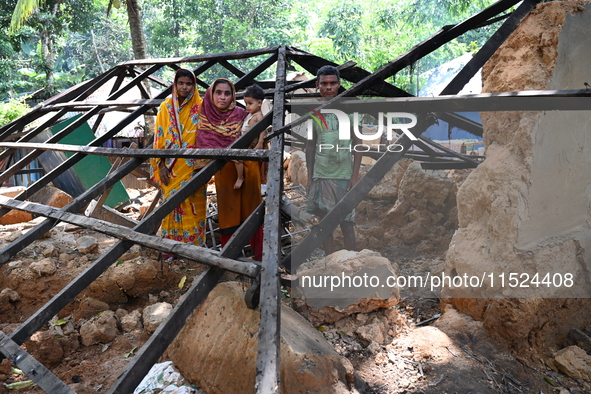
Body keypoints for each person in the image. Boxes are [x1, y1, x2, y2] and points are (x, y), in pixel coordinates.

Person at [197, 78, 263, 260]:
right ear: (211, 94)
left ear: (233, 96)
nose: (223, 97)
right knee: (229, 212)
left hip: (248, 168)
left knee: (253, 210)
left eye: (227, 93)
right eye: (218, 92)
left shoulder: (243, 114)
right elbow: (203, 145)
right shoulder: (204, 117)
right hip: (223, 171)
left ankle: (259, 255)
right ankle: (230, 257)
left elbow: (258, 137)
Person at [149, 69, 207, 260]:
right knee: (171, 206)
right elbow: (159, 137)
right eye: (181, 83)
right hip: (171, 168)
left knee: (194, 205)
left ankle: (193, 251)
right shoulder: (165, 107)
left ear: (194, 85)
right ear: (175, 84)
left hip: (194, 167)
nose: (184, 87)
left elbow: (208, 137)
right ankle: (170, 249)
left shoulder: (202, 106)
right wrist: (161, 165)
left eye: (188, 84)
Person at [306, 65, 362, 255]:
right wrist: (309, 176)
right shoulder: (314, 113)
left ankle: (352, 262)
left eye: (333, 83)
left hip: (344, 175)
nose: (328, 87)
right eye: (324, 84)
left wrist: (355, 175)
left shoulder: (350, 110)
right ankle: (330, 262)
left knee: (347, 223)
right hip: (321, 175)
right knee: (324, 223)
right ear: (317, 85)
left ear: (339, 85)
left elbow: (358, 143)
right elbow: (310, 146)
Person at [242, 84, 268, 184]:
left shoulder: (258, 116)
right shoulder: (250, 115)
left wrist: (260, 142)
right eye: (246, 103)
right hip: (246, 146)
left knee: (254, 170)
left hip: (253, 146)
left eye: (250, 103)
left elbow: (263, 129)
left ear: (259, 103)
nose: (247, 106)